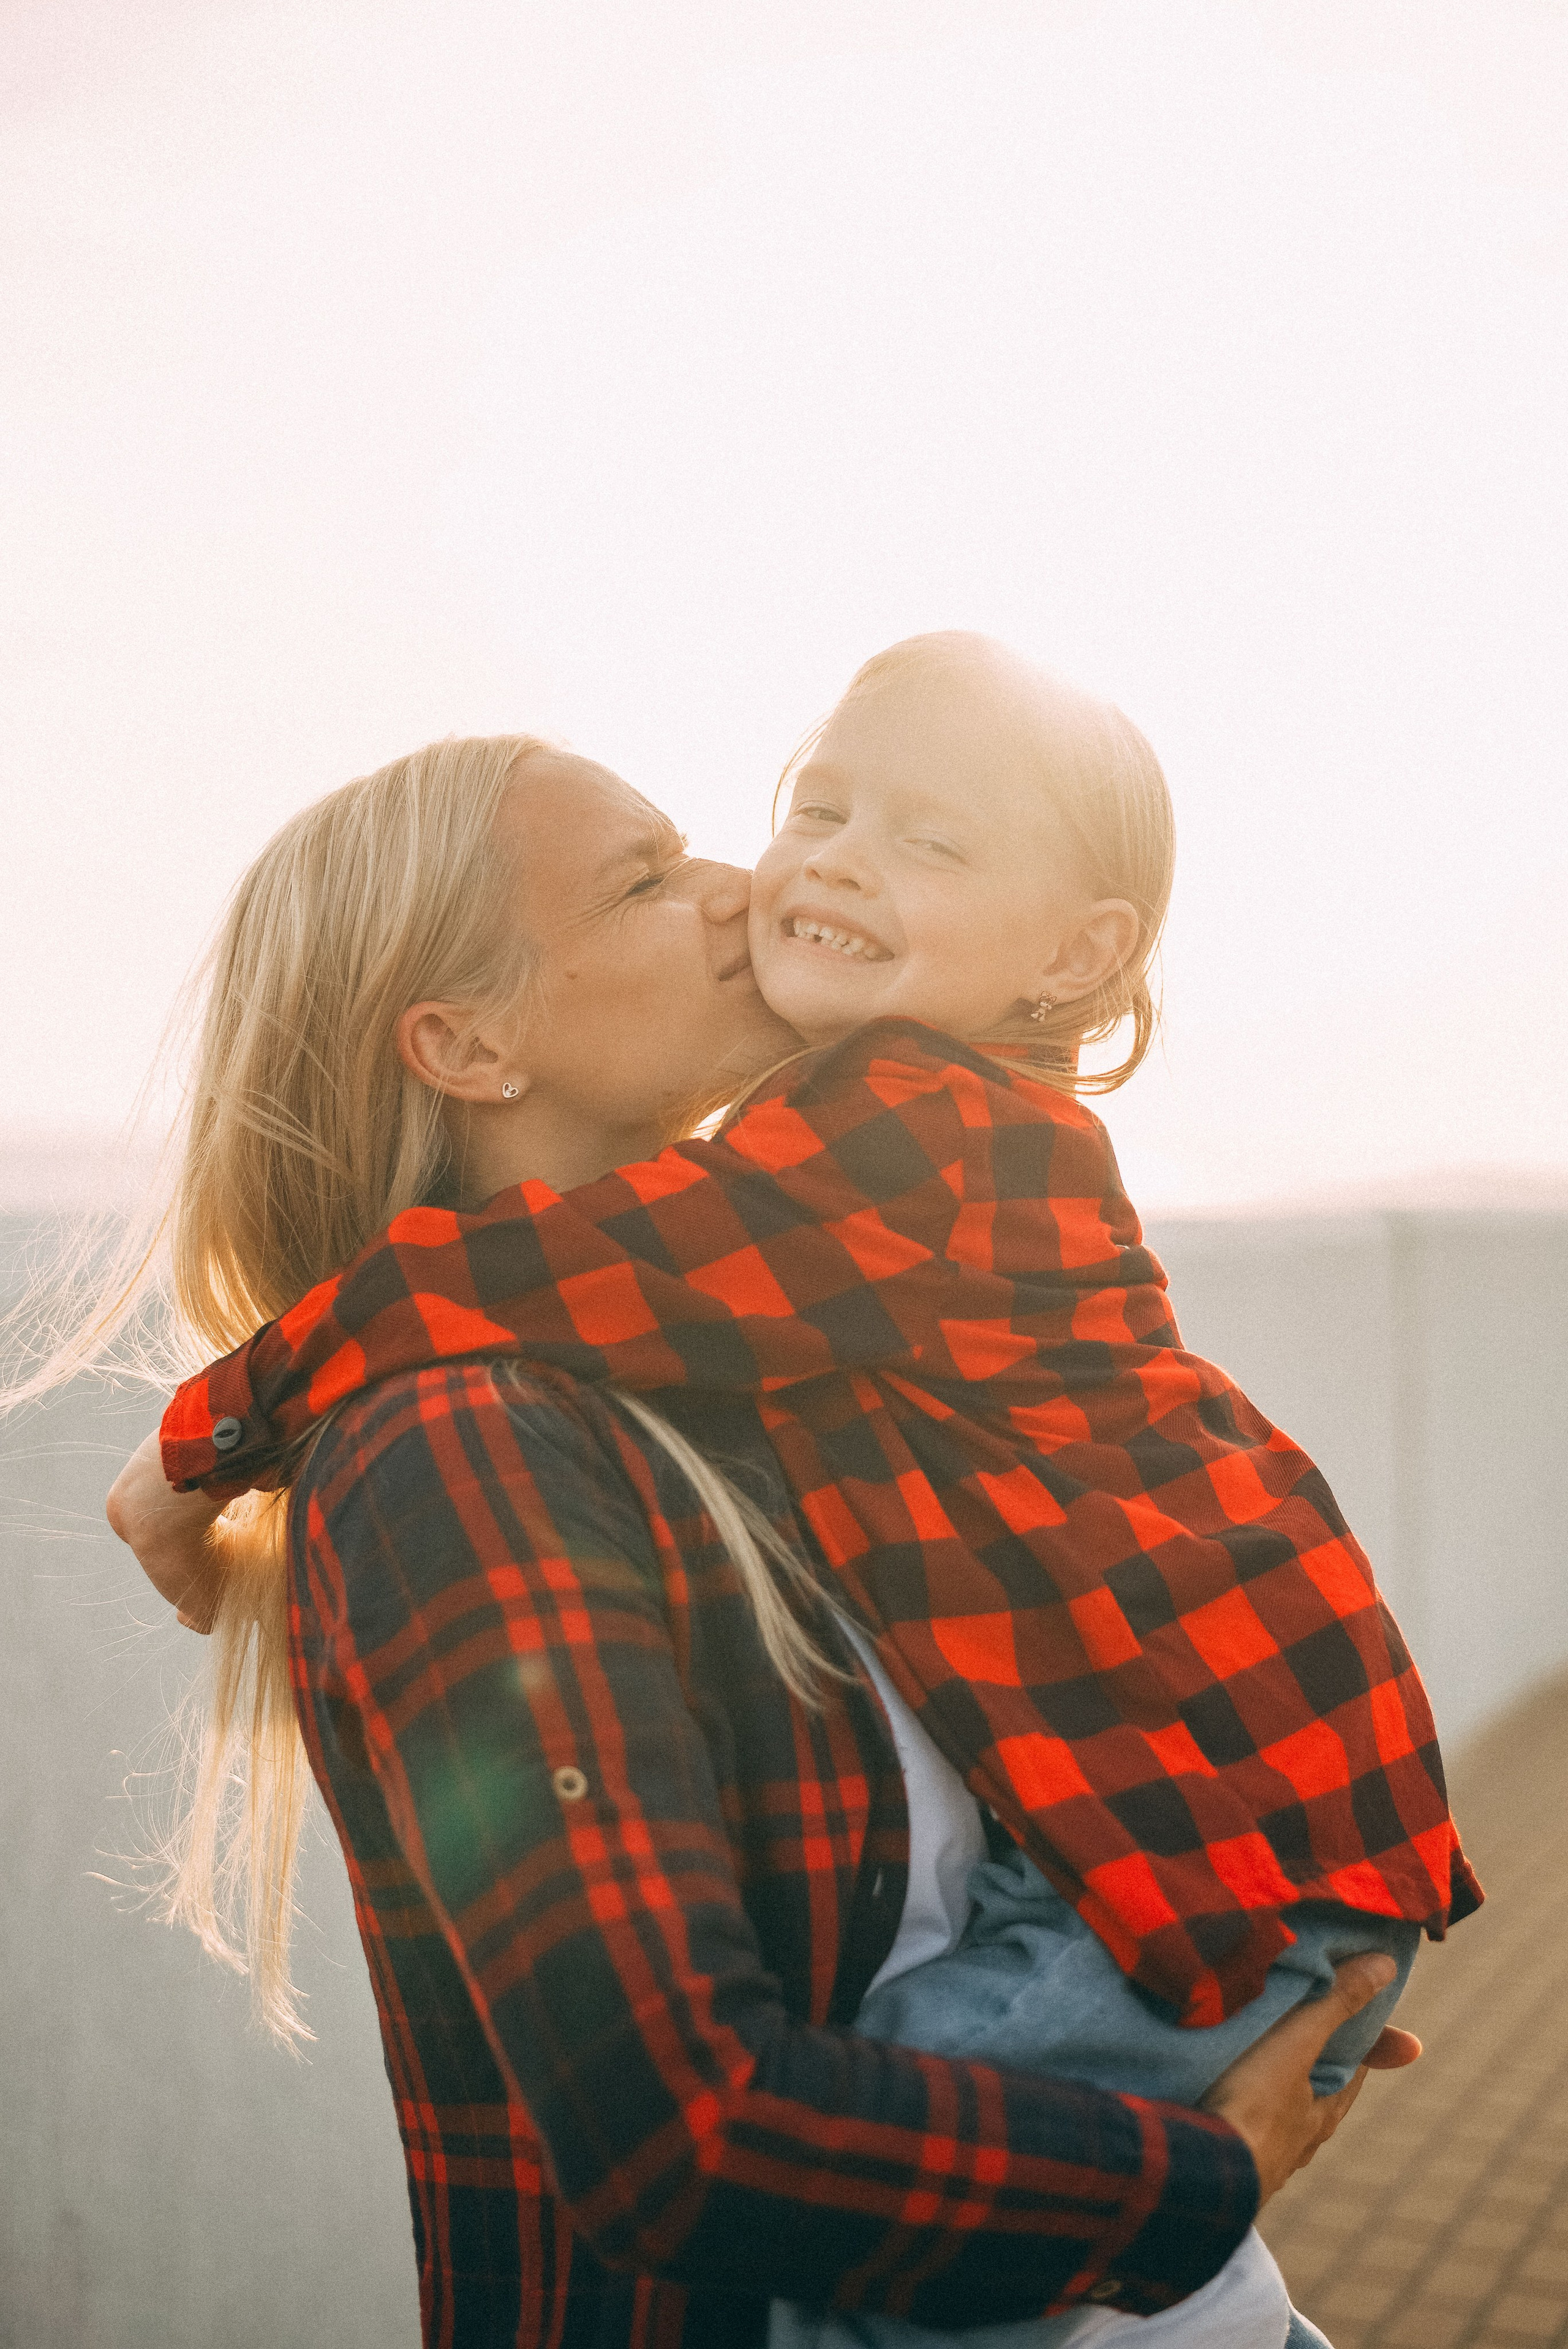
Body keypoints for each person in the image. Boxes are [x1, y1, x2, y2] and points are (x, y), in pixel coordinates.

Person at [108, 647, 1457, 2345]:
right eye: (652, 879)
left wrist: (1210, 1952)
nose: (759, 885)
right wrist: (1200, 2172)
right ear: (465, 1038)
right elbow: (687, 2135)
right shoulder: (464, 1446)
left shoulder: (794, 1340)